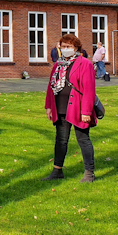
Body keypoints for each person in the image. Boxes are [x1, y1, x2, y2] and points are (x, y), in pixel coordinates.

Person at [43, 34, 96, 182]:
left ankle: (89, 173)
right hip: (60, 107)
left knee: (83, 139)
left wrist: (86, 111)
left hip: (78, 108)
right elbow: (50, 87)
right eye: (63, 46)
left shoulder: (84, 63)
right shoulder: (57, 64)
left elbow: (89, 89)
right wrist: (49, 107)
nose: (65, 49)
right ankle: (57, 171)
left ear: (76, 48)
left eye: (69, 46)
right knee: (61, 140)